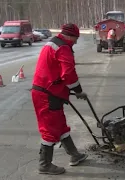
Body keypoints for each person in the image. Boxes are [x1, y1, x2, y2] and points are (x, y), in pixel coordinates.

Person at [31, 23, 88, 175]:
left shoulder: (54, 43)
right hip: (46, 94)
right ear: (70, 36)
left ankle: (74, 155)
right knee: (49, 129)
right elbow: (68, 74)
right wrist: (78, 91)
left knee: (61, 126)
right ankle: (45, 164)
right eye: (75, 38)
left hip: (49, 92)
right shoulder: (63, 48)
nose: (76, 42)